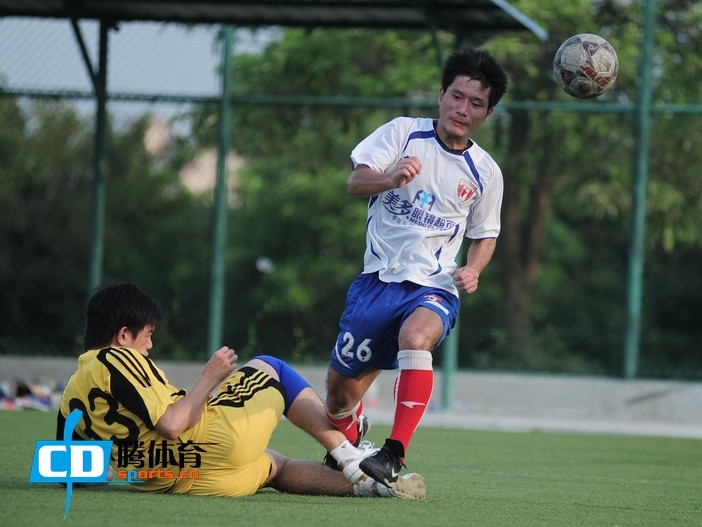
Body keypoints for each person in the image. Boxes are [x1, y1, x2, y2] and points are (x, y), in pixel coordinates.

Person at [324, 48, 508, 485]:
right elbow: (355, 181)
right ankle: (352, 433)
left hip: (433, 286)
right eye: (457, 96)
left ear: (487, 113)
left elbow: (486, 234)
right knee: (338, 397)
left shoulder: (486, 172)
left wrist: (474, 269)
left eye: (476, 103)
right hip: (377, 283)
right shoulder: (403, 133)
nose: (463, 109)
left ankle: (394, 452)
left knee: (416, 337)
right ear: (441, 95)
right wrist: (390, 178)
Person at [57, 283, 425, 499]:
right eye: (148, 335)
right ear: (124, 335)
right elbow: (171, 424)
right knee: (271, 367)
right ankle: (348, 455)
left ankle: (371, 487)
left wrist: (118, 470)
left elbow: (65, 469)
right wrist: (210, 376)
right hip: (209, 441)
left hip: (181, 481)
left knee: (277, 466)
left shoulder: (72, 390)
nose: (149, 346)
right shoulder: (115, 357)